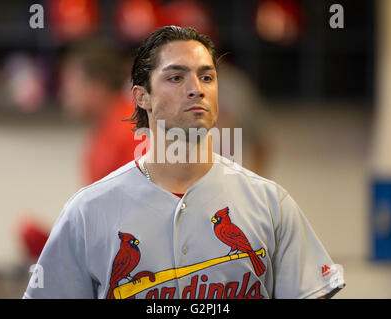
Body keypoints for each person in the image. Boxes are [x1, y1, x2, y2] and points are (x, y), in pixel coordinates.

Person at [23, 26, 344, 299]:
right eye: (176, 77)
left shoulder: (272, 204)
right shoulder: (86, 210)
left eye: (207, 77)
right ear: (141, 97)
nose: (196, 89)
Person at [59, 39, 146, 185]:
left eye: (71, 81)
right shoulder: (110, 127)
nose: (65, 91)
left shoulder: (129, 131)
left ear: (97, 84)